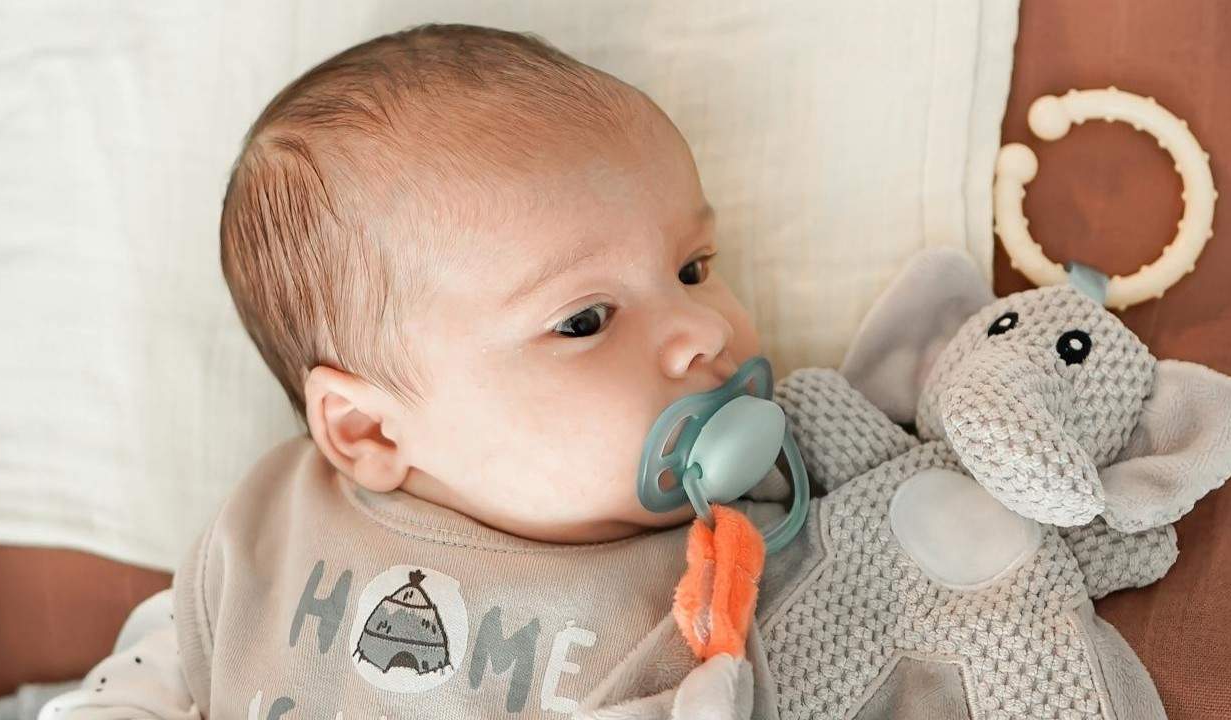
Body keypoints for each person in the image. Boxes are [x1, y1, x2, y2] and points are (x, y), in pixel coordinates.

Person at [41, 23, 805, 719]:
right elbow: (155, 667)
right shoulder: (272, 531)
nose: (704, 331)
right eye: (584, 320)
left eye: (693, 268)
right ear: (367, 429)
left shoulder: (733, 566)